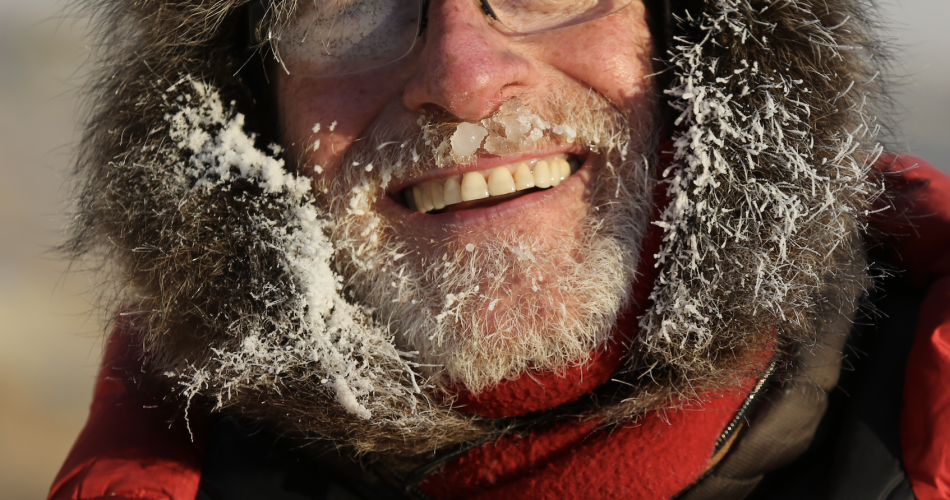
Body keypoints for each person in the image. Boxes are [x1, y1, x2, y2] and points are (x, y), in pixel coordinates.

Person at [48, 0, 950, 499]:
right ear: (247, 103)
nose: (464, 82)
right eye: (349, 3)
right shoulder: (163, 470)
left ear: (700, 44)